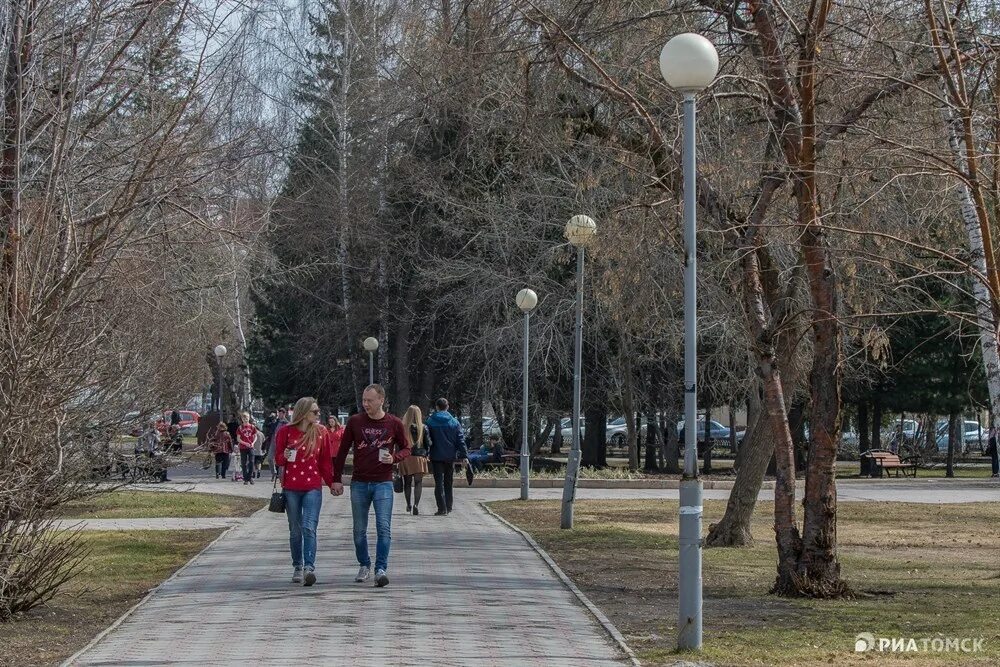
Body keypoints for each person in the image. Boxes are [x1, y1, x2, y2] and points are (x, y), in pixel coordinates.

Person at [333, 384, 410, 588]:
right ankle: (364, 564)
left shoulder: (393, 423)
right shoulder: (355, 422)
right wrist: (336, 477)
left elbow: (407, 448)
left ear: (381, 400)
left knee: (384, 528)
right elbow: (342, 452)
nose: (365, 404)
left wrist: (394, 458)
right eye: (364, 400)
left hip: (383, 483)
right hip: (359, 483)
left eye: (370, 400)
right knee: (359, 530)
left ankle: (381, 569)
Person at [275, 397, 337, 586]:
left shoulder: (321, 432)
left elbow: (325, 461)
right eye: (315, 412)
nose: (318, 415)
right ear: (303, 413)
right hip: (291, 488)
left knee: (309, 527)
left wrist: (333, 482)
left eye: (318, 412)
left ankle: (310, 567)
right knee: (295, 530)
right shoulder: (286, 432)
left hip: (312, 487)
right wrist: (284, 456)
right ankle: (297, 565)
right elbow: (277, 459)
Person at [424, 398, 469, 516]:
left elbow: (427, 439)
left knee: (439, 483)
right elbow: (460, 440)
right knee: (448, 482)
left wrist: (426, 452)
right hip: (450, 456)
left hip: (436, 455)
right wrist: (464, 455)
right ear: (447, 407)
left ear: (437, 407)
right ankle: (449, 506)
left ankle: (441, 508)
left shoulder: (430, 421)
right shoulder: (454, 422)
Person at [399, 405, 430, 515]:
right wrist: (426, 454)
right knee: (418, 483)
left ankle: (408, 504)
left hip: (406, 458)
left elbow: (399, 444)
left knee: (407, 483)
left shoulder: (403, 427)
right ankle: (416, 504)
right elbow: (428, 444)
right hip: (419, 458)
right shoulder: (423, 427)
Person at [236, 412, 258, 485]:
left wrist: (253, 443)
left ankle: (250, 477)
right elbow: (238, 439)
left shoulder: (252, 427)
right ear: (242, 419)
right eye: (244, 418)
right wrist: (245, 443)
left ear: (249, 418)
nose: (246, 419)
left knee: (251, 462)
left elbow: (255, 436)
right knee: (244, 463)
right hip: (243, 447)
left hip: (251, 447)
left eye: (247, 417)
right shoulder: (240, 428)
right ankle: (245, 478)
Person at [269, 407, 289, 480]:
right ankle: (274, 473)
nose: (279, 415)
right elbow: (270, 429)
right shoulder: (275, 422)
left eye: (280, 413)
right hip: (273, 442)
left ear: (284, 414)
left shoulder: (287, 423)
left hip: (281, 443)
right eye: (278, 413)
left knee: (281, 458)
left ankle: (281, 476)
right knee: (270, 458)